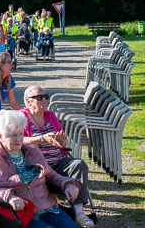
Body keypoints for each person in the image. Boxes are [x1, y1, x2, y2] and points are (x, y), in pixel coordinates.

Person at [0, 109, 80, 228]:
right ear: (0, 136)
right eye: (13, 135)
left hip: (49, 207)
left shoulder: (32, 149)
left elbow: (49, 175)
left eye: (20, 133)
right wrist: (7, 196)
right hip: (19, 214)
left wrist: (66, 183)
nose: (19, 139)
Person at [21, 85, 95, 228]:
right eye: (39, 97)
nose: (44, 100)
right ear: (28, 101)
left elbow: (62, 140)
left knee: (78, 164)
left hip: (58, 159)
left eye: (45, 96)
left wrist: (62, 141)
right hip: (38, 164)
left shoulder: (50, 115)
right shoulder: (21, 117)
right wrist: (42, 139)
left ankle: (79, 213)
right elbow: (19, 140)